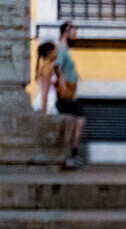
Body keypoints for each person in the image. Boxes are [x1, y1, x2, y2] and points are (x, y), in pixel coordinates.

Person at [55, 22, 86, 169]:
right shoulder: (61, 48)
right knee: (79, 120)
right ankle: (72, 154)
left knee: (74, 122)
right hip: (66, 95)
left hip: (70, 94)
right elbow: (58, 67)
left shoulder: (64, 49)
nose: (75, 35)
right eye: (73, 32)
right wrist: (63, 87)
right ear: (66, 31)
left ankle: (71, 155)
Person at [32, 42, 58, 116]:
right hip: (47, 101)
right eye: (55, 51)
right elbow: (45, 90)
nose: (56, 53)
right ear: (50, 53)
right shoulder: (46, 69)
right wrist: (44, 111)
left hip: (50, 99)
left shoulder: (50, 67)